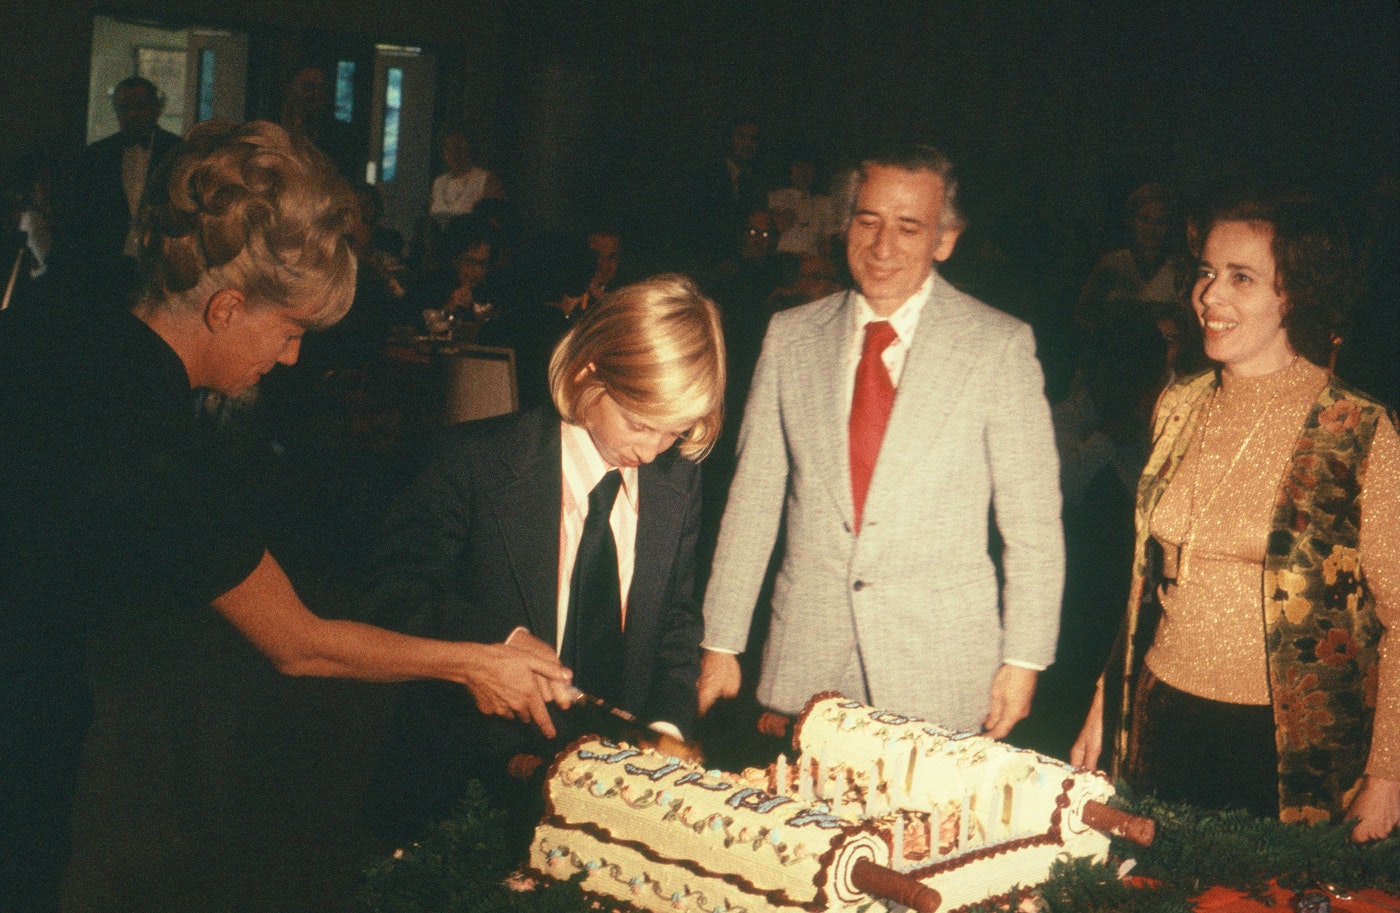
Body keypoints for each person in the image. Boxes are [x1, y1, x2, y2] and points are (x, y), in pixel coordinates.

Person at [0, 119, 570, 913]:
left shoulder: (71, 326)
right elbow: (299, 644)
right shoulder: (152, 436)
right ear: (229, 307)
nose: (293, 356)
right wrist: (475, 661)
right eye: (293, 329)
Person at [697, 142, 1064, 739]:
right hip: (805, 660)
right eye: (867, 221)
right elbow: (753, 501)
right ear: (844, 225)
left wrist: (1022, 661)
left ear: (944, 240)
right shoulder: (791, 338)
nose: (882, 246)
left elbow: (1034, 526)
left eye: (908, 227)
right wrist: (721, 641)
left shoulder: (998, 346)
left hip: (941, 668)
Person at [1071, 191, 1400, 843]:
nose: (1208, 296)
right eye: (1205, 272)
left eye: (1240, 278)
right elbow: (1144, 581)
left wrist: (1386, 776)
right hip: (1157, 721)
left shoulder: (1357, 431)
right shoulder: (1180, 401)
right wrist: (1105, 701)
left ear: (1293, 293)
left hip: (1279, 757)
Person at [360, 273, 724, 846]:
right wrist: (495, 637)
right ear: (588, 375)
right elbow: (392, 593)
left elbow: (675, 620)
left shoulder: (677, 480)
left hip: (608, 799)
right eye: (639, 423)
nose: (651, 451)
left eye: (673, 432)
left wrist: (664, 730)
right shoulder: (474, 462)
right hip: (469, 784)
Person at [61, 75, 182, 311]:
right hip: (106, 265)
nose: (132, 115)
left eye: (140, 107)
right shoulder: (96, 155)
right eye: (124, 108)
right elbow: (82, 215)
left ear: (156, 109)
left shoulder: (176, 151)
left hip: (159, 262)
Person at [428, 130, 504, 227]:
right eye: (448, 148)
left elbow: (496, 221)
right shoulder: (438, 182)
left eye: (458, 148)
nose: (453, 153)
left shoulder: (485, 179)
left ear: (470, 150)